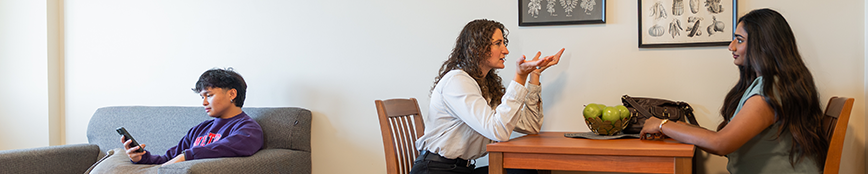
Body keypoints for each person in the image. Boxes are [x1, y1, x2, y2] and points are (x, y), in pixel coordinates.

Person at [639, 8, 828, 173]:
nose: (731, 46)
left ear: (764, 45)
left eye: (740, 40)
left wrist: (661, 124)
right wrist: (678, 128)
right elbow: (723, 141)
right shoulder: (773, 84)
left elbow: (721, 143)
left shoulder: (769, 90)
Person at [409, 19, 564, 174]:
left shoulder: (485, 85)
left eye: (504, 43)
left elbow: (531, 126)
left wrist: (534, 75)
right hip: (435, 170)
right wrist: (519, 77)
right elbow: (498, 131)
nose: (506, 50)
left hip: (461, 169)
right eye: (498, 43)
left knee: (525, 171)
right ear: (477, 48)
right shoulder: (457, 81)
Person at [122, 68, 264, 166]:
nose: (204, 102)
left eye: (209, 95)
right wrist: (142, 157)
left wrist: (187, 156)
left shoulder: (248, 129)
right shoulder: (199, 129)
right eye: (202, 97)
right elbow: (168, 159)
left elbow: (232, 147)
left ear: (232, 94)